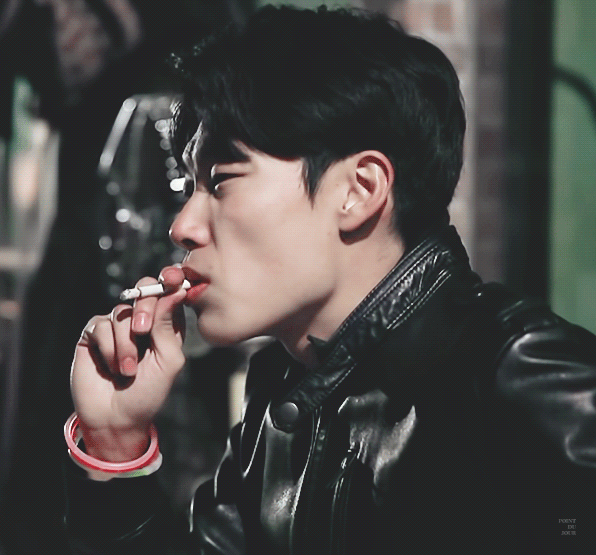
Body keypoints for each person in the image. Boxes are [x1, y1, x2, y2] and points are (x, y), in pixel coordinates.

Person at [63, 5, 596, 555]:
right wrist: (115, 442)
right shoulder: (282, 399)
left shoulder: (518, 373)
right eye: (188, 187)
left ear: (359, 191)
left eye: (221, 181)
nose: (182, 227)